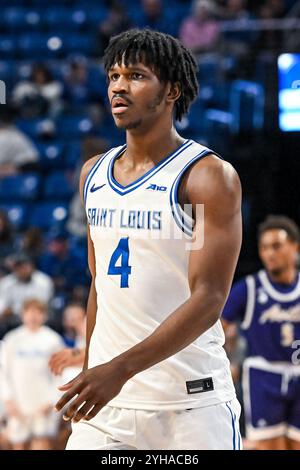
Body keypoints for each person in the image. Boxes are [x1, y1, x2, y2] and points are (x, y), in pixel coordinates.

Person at [55, 28, 242, 450]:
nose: (119, 86)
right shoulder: (92, 174)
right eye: (114, 76)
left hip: (191, 404)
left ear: (172, 89)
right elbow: (99, 283)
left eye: (136, 75)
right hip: (111, 408)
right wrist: (92, 374)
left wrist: (117, 370)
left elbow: (209, 297)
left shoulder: (205, 177)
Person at [222, 215, 300, 450]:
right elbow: (215, 329)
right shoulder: (249, 288)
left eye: (276, 246)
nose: (269, 253)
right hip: (264, 375)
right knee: (269, 446)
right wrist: (229, 364)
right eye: (264, 247)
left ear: (295, 246)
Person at [1, 299, 64, 450]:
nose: (33, 316)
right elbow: (3, 372)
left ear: (44, 315)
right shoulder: (12, 339)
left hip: (43, 403)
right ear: (23, 314)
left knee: (41, 442)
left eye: (38, 312)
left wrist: (51, 401)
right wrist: (8, 400)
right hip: (18, 402)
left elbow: (59, 375)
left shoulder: (53, 340)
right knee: (18, 443)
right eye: (29, 312)